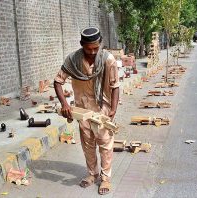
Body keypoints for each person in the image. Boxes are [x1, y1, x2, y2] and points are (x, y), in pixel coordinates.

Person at [54, 27, 119, 195]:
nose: (92, 52)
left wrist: (113, 109)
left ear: (100, 44)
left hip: (102, 108)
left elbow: (115, 86)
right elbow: (58, 81)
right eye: (88, 48)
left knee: (105, 143)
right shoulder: (73, 60)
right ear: (81, 44)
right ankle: (92, 174)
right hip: (82, 109)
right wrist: (64, 104)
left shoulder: (108, 60)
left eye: (96, 48)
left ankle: (105, 178)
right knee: (87, 143)